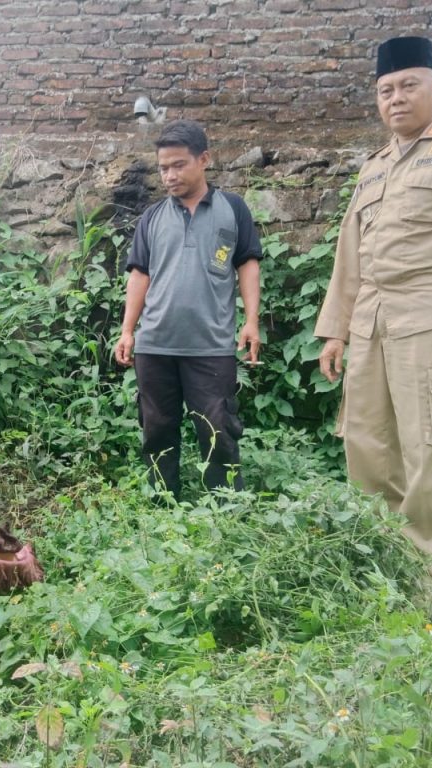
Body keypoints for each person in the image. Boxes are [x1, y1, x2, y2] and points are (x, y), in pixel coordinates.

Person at [315, 36, 432, 572]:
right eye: (385, 90)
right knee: (366, 446)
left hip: (431, 322)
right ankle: (388, 568)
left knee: (426, 450)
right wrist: (336, 329)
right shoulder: (374, 167)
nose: (396, 98)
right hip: (372, 324)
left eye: (408, 86)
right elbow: (350, 254)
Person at [114, 120, 263, 498]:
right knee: (157, 429)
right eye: (163, 167)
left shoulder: (233, 209)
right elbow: (139, 276)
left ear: (204, 159)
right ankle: (164, 501)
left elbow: (247, 264)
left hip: (210, 347)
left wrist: (251, 321)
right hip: (155, 346)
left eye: (179, 165)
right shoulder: (153, 218)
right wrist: (128, 330)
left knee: (218, 430)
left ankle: (226, 505)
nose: (169, 175)